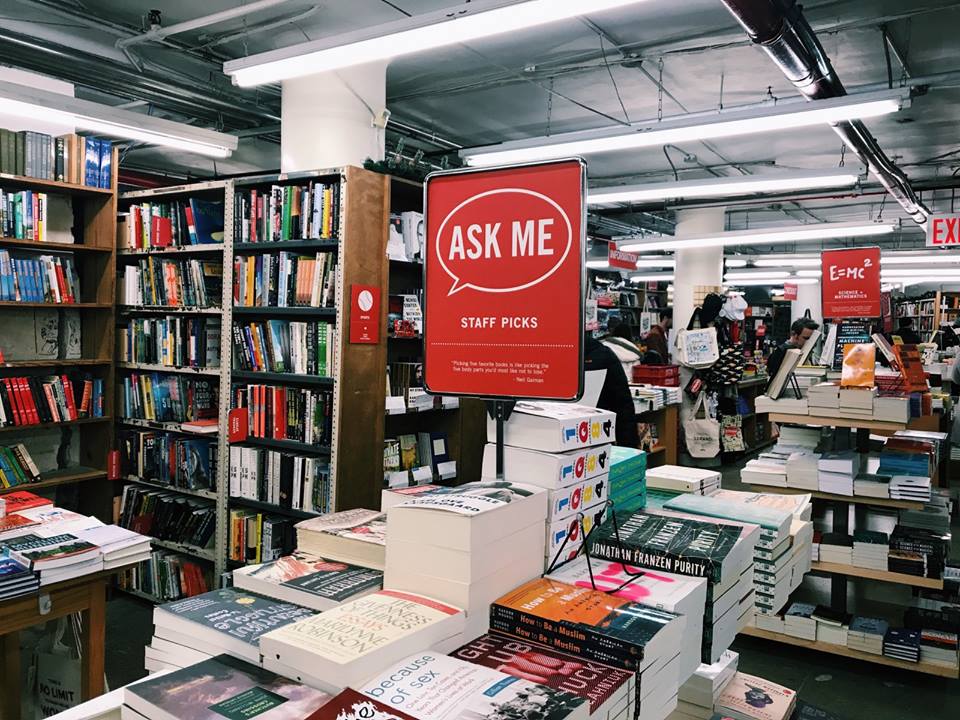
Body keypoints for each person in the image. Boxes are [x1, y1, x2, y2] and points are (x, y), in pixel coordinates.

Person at [584, 331, 640, 448]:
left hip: (584, 432)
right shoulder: (603, 354)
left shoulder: (600, 355)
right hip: (597, 432)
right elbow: (623, 405)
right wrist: (629, 448)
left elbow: (623, 404)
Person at [766, 317, 819, 388]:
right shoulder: (780, 352)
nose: (810, 343)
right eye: (806, 338)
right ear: (795, 335)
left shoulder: (806, 351)